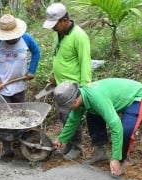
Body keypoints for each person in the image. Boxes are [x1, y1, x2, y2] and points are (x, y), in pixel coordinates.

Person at [43, 2, 109, 162]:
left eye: (55, 24)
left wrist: (85, 88)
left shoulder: (79, 36)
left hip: (74, 87)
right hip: (60, 85)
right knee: (64, 116)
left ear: (65, 20)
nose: (53, 28)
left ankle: (77, 147)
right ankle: (69, 145)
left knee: (72, 116)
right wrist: (53, 75)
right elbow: (59, 56)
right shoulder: (58, 34)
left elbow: (85, 63)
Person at [52, 79, 142, 176]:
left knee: (126, 130)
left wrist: (115, 158)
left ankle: (121, 161)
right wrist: (61, 139)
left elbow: (116, 126)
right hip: (114, 98)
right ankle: (100, 152)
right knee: (92, 115)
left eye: (69, 107)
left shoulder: (97, 99)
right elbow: (73, 120)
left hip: (135, 97)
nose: (69, 109)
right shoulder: (81, 97)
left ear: (75, 101)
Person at [0, 14, 40, 158]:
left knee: (20, 115)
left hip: (20, 85)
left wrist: (32, 70)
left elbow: (36, 52)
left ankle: (19, 144)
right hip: (3, 87)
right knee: (6, 118)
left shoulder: (26, 39)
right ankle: (7, 147)